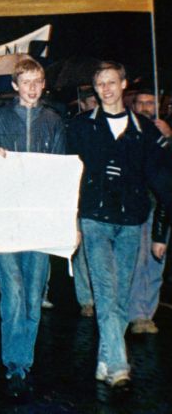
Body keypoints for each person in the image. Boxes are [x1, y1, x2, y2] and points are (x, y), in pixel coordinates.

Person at [67, 62, 172, 388]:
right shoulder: (82, 126)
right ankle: (119, 365)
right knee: (105, 292)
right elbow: (68, 176)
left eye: (112, 82)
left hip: (131, 223)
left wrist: (158, 233)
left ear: (123, 84)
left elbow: (165, 184)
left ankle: (104, 359)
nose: (107, 89)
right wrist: (71, 221)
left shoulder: (144, 129)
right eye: (100, 83)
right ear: (95, 88)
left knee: (121, 296)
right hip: (95, 220)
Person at [0, 57, 66, 398]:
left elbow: (60, 174)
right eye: (26, 82)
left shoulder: (54, 121)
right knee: (12, 294)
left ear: (43, 84)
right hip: (6, 220)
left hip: (38, 221)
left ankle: (25, 357)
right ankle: (16, 365)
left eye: (38, 81)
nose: (32, 88)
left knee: (33, 296)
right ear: (15, 85)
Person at [126, 90, 171, 335]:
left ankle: (147, 311)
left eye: (150, 102)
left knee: (156, 260)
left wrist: (169, 137)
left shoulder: (164, 130)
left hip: (163, 203)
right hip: (139, 203)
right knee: (139, 260)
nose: (145, 107)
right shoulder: (131, 129)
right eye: (141, 102)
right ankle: (138, 314)